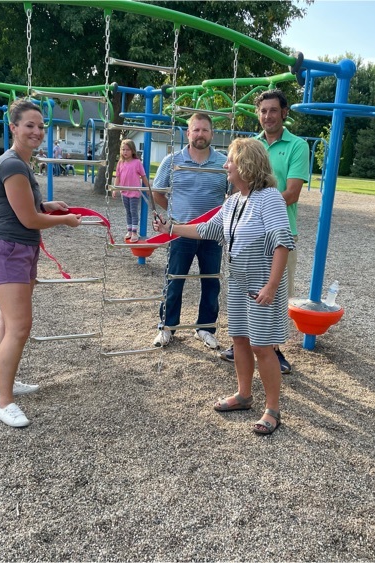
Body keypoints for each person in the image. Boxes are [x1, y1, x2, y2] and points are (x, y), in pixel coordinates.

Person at [153, 138, 294, 435]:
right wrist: (172, 228)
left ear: (246, 164)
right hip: (239, 283)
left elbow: (283, 243)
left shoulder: (270, 198)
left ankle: (273, 409)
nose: (225, 166)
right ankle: (244, 395)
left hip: (261, 287)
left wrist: (271, 286)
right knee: (240, 339)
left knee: (262, 346)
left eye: (230, 160)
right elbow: (208, 229)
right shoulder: (233, 201)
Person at [0, 98, 82, 428]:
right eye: (29, 125)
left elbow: (25, 205)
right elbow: (27, 219)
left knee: (8, 323)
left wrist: (48, 204)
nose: (37, 131)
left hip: (20, 249)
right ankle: (4, 401)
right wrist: (64, 220)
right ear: (13, 128)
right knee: (20, 326)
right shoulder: (12, 164)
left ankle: (4, 383)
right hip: (8, 249)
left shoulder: (21, 164)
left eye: (40, 126)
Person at [220, 89, 309, 374]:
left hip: (281, 230)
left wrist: (257, 205)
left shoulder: (297, 146)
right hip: (248, 232)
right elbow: (240, 186)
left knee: (274, 289)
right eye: (263, 111)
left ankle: (272, 349)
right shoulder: (250, 145)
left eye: (273, 110)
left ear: (284, 113)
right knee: (244, 287)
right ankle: (244, 341)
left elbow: (292, 193)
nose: (267, 116)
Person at [151, 112, 228, 349]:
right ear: (188, 133)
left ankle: (205, 328)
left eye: (205, 130)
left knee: (211, 282)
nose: (200, 134)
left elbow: (234, 195)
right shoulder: (172, 160)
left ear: (212, 134)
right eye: (196, 130)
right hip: (181, 232)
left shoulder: (223, 163)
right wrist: (174, 217)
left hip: (211, 234)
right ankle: (167, 327)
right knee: (174, 280)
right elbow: (157, 191)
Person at [114, 139, 150, 243]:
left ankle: (134, 232)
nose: (125, 152)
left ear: (133, 151)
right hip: (124, 192)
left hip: (134, 192)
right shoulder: (120, 163)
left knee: (134, 212)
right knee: (127, 212)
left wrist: (147, 188)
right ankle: (129, 230)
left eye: (128, 150)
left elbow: (143, 176)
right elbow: (118, 177)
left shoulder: (137, 162)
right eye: (123, 149)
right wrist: (115, 189)